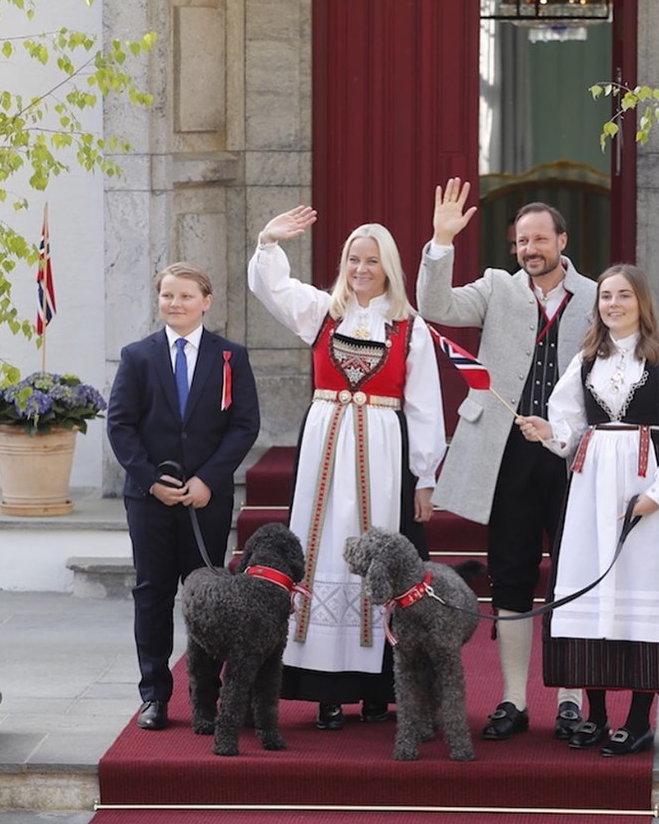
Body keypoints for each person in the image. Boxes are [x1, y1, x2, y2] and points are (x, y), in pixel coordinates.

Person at [516, 263, 659, 755]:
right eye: (606, 296)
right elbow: (566, 424)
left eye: (623, 296)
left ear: (641, 302)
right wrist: (549, 433)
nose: (613, 304)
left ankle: (636, 719)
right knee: (589, 598)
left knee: (640, 597)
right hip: (591, 494)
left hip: (646, 493)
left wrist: (657, 495)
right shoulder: (586, 359)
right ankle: (595, 714)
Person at [247, 206, 446, 730]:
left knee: (380, 553)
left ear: (389, 268)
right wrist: (268, 240)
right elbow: (272, 288)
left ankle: (379, 687)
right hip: (326, 447)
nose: (361, 269)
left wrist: (425, 476)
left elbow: (425, 403)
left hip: (383, 447)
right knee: (320, 550)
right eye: (354, 259)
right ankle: (324, 689)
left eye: (372, 261)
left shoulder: (409, 326)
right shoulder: (321, 311)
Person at [416, 178, 597, 742]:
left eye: (541, 239)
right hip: (508, 454)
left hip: (574, 455)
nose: (531, 249)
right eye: (522, 241)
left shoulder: (598, 296)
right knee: (512, 574)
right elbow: (435, 305)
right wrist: (440, 243)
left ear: (562, 241)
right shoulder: (496, 288)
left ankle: (569, 700)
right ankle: (515, 700)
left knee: (572, 575)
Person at [107, 263, 260, 730]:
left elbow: (243, 425)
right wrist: (150, 479)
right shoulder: (138, 357)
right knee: (152, 594)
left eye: (185, 296)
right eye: (167, 296)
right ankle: (153, 695)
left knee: (206, 599)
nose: (175, 304)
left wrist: (209, 480)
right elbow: (121, 425)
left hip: (204, 501)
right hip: (150, 498)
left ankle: (206, 696)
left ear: (206, 301)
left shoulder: (231, 356)